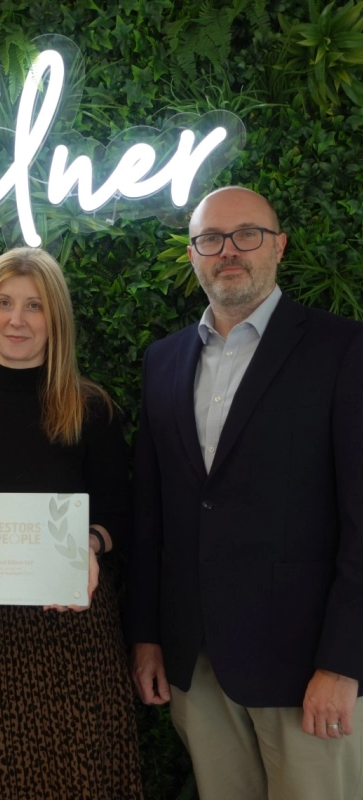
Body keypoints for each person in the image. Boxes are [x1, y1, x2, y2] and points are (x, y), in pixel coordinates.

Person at [126, 186, 363, 800]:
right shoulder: (163, 361)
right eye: (210, 238)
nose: (228, 250)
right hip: (196, 660)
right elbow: (152, 514)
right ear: (192, 254)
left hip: (306, 666)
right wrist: (148, 636)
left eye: (246, 234)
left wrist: (345, 663)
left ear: (278, 246)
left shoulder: (344, 350)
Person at [0, 247, 144, 799]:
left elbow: (116, 513)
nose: (16, 320)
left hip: (70, 630)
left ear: (55, 319)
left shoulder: (90, 407)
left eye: (34, 306)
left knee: (83, 781)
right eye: (4, 303)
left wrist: (90, 545)